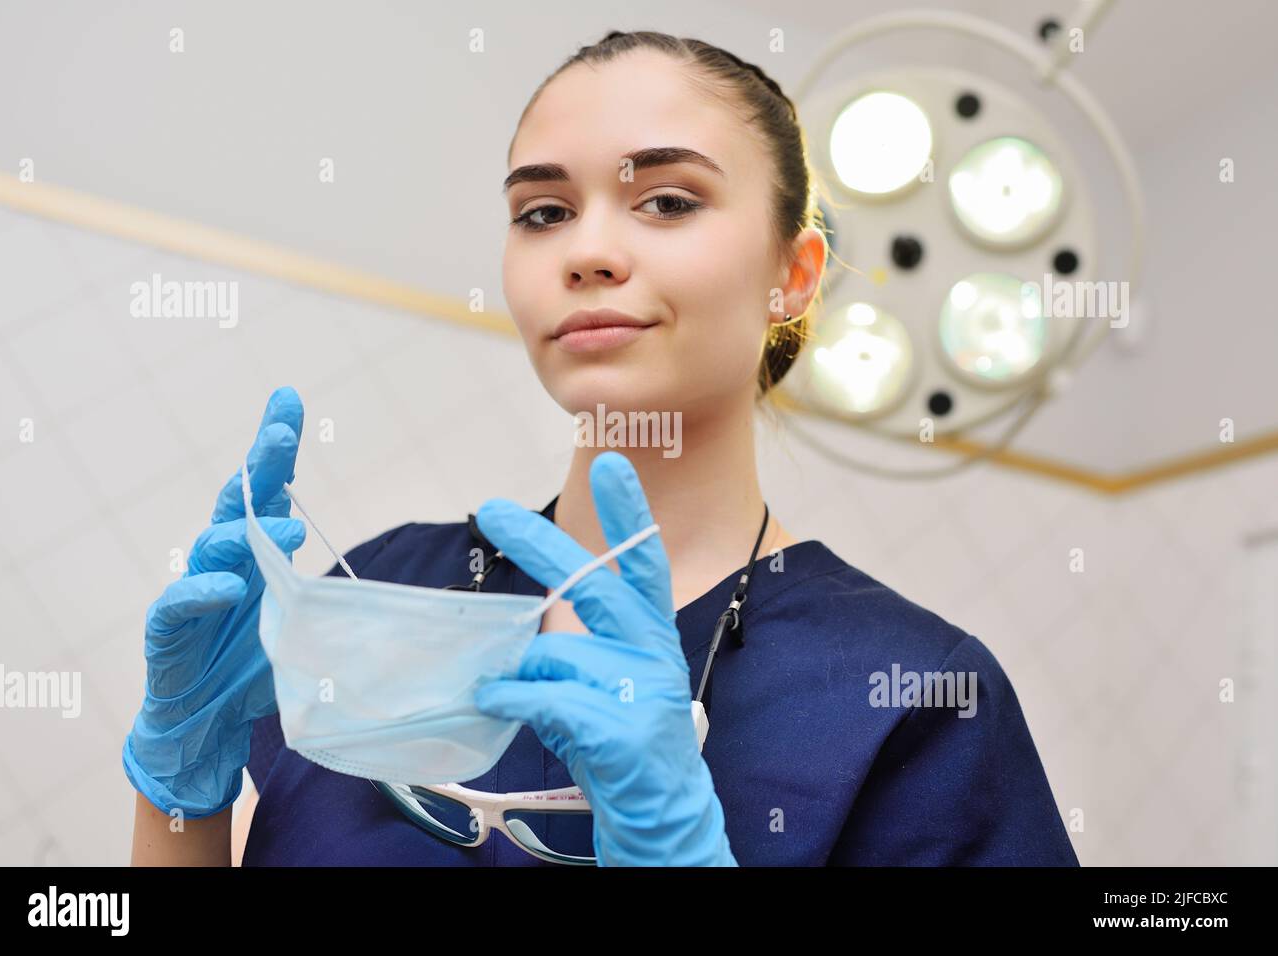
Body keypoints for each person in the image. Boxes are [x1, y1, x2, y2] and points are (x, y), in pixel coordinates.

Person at [124, 29, 1079, 866]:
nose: (586, 251)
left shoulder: (913, 694)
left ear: (794, 273)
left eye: (667, 201)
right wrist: (178, 793)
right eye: (543, 212)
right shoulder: (381, 590)